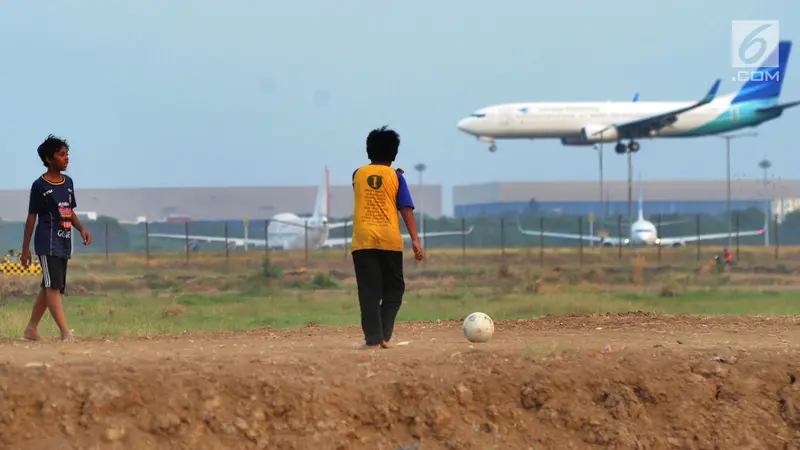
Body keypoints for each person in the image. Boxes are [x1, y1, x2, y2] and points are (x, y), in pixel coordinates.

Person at [350, 125, 424, 350]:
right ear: (394, 154)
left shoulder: (357, 174)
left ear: (368, 152)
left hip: (362, 241)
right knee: (394, 288)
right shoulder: (397, 177)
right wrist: (415, 240)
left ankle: (373, 338)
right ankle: (385, 334)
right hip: (389, 240)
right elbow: (405, 208)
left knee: (369, 291)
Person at [20, 135, 92, 342]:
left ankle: (31, 329)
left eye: (67, 154)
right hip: (47, 241)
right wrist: (25, 249)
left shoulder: (68, 183)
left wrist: (81, 229)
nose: (66, 158)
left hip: (64, 241)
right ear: (49, 159)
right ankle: (65, 332)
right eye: (61, 155)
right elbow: (31, 216)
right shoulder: (39, 185)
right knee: (53, 287)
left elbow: (69, 211)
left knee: (51, 285)